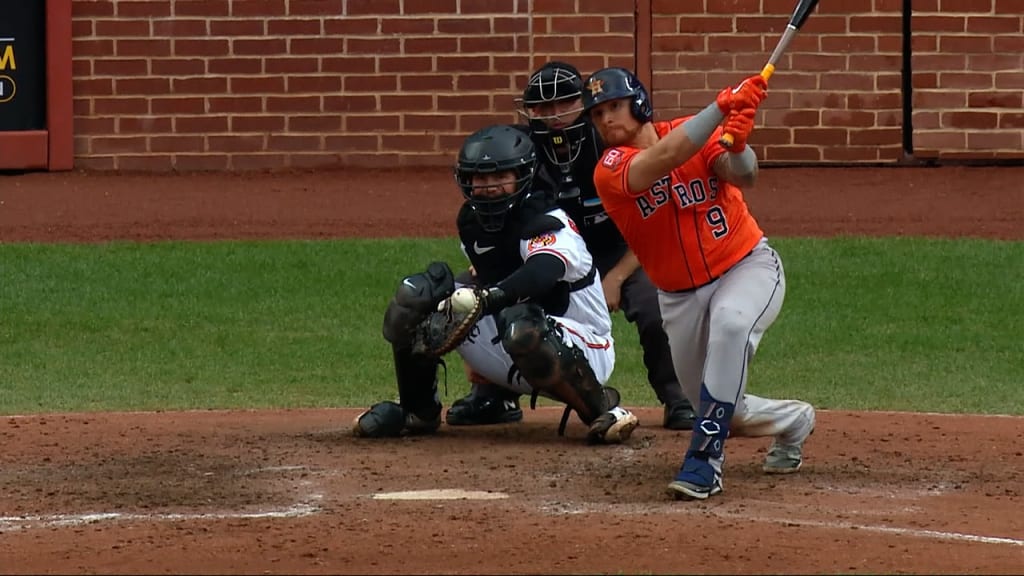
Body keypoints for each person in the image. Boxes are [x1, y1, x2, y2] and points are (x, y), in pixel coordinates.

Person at [582, 67, 816, 500]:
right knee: (721, 408)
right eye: (597, 114)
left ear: (638, 103)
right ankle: (793, 420)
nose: (606, 120)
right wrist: (722, 107)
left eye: (613, 106)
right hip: (679, 299)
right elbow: (664, 158)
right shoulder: (610, 170)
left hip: (748, 268)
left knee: (730, 323)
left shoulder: (696, 134)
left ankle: (704, 463)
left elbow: (743, 175)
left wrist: (740, 142)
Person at [446, 61, 697, 431]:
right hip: (542, 252)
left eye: (563, 103)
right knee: (471, 296)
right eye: (542, 108)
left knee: (653, 302)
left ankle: (678, 397)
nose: (553, 116)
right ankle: (493, 393)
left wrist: (615, 277)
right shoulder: (517, 147)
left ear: (582, 103)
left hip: (622, 248)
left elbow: (656, 219)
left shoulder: (611, 142)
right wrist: (490, 268)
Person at [353, 124, 640, 445]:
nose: (486, 187)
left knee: (519, 322)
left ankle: (602, 409)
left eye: (497, 177)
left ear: (522, 175)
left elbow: (543, 271)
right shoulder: (473, 224)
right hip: (515, 338)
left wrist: (487, 300)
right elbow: (478, 279)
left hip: (583, 346)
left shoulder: (547, 219)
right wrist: (457, 308)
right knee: (418, 297)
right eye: (478, 178)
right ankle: (417, 411)